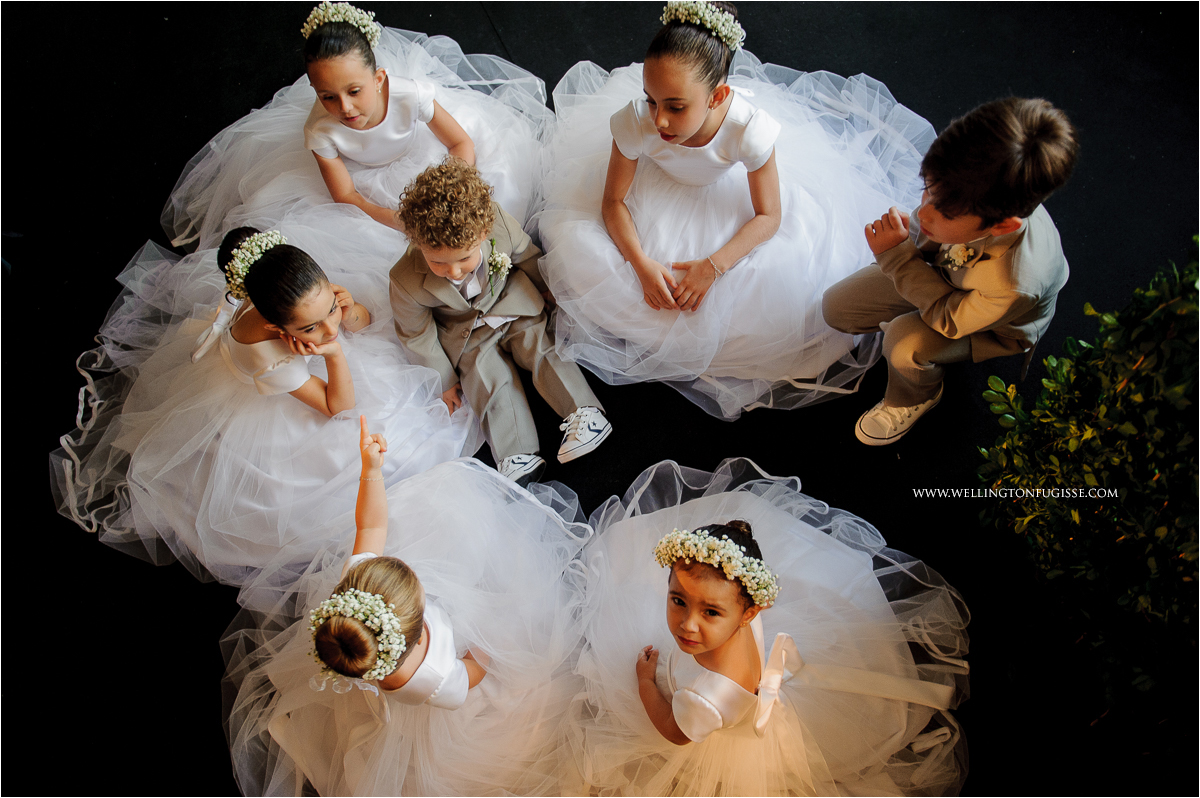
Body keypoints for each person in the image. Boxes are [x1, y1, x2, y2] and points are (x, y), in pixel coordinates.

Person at [535, 0, 935, 418]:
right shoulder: (636, 122)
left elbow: (769, 216)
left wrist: (714, 265)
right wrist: (639, 262)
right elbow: (613, 201)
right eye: (651, 100)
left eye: (675, 106)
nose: (660, 122)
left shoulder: (747, 129)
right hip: (655, 192)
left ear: (718, 96)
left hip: (725, 198)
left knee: (768, 289)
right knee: (596, 259)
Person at [51, 216, 474, 596]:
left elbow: (358, 321)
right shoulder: (267, 354)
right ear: (275, 326)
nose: (329, 328)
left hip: (304, 362)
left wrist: (347, 311)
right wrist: (332, 354)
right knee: (391, 448)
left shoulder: (292, 289)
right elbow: (339, 407)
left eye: (328, 307)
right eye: (312, 326)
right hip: (290, 402)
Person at [224, 418, 591, 796]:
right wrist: (493, 644)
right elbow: (470, 676)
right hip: (463, 668)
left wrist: (371, 470)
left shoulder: (357, 590)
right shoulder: (430, 678)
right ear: (417, 636)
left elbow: (370, 527)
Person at [564, 459, 970, 795]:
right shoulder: (743, 621)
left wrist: (646, 683)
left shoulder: (703, 699)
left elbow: (674, 732)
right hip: (745, 686)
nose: (686, 625)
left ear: (748, 613)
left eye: (710, 612)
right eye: (678, 601)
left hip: (721, 708)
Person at [162, 1, 550, 252]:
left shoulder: (408, 95)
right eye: (327, 96)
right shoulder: (321, 132)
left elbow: (461, 143)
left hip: (428, 162)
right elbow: (346, 196)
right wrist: (398, 218)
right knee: (384, 251)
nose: (344, 108)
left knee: (492, 204)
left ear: (379, 78)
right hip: (371, 189)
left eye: (354, 91)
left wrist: (447, 190)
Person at [822, 97, 1079, 445]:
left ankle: (915, 396)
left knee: (902, 343)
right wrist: (909, 246)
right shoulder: (970, 192)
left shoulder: (1015, 283)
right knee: (836, 308)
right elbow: (930, 224)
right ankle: (911, 303)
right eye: (927, 188)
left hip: (991, 325)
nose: (923, 213)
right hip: (944, 276)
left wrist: (897, 258)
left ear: (1002, 225)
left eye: (944, 212)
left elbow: (951, 320)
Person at [390, 157, 613, 486]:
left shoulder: (499, 226)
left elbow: (527, 256)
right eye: (437, 262)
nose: (453, 271)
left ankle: (585, 412)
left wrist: (546, 288)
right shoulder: (404, 279)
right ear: (416, 243)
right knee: (489, 380)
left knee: (541, 349)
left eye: (464, 258)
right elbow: (416, 333)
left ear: (483, 232)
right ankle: (517, 452)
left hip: (512, 305)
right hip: (467, 335)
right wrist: (444, 378)